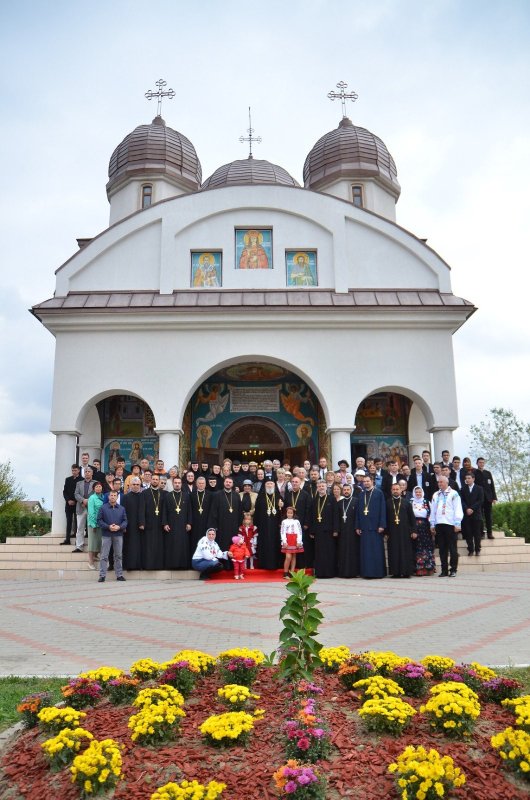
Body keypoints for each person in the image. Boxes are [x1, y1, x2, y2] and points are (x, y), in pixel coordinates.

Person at [430, 475, 463, 578]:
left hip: (450, 524)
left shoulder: (454, 494)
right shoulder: (436, 494)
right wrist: (432, 523)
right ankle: (444, 570)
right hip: (439, 524)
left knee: (453, 548)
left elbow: (458, 508)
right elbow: (433, 510)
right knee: (442, 549)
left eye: (441, 482)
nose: (439, 484)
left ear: (446, 482)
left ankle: (453, 569)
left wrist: (457, 523)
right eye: (438, 482)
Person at [355, 475, 387, 579]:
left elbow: (383, 509)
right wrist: (357, 526)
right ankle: (366, 573)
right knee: (366, 552)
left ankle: (377, 573)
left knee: (376, 551)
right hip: (364, 527)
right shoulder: (361, 494)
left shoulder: (379, 493)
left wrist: (382, 524)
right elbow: (358, 512)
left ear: (372, 482)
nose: (366, 483)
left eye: (368, 481)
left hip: (376, 527)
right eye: (364, 481)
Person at [309, 479, 339, 578]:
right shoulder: (314, 500)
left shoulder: (331, 499)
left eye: (323, 486)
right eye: (319, 486)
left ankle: (330, 573)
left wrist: (335, 529)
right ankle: (320, 573)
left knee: (329, 552)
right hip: (318, 531)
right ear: (317, 488)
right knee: (319, 552)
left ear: (326, 487)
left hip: (329, 531)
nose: (321, 488)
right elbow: (312, 516)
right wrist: (312, 530)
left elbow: (335, 515)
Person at [386, 483, 416, 578]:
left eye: (397, 489)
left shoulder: (406, 502)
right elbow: (385, 518)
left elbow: (412, 518)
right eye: (393, 489)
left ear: (401, 490)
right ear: (391, 491)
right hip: (392, 532)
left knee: (405, 551)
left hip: (405, 531)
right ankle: (396, 572)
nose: (395, 491)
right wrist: (386, 532)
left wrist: (413, 531)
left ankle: (406, 572)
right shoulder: (387, 503)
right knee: (394, 551)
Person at [162, 476, 192, 570]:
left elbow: (189, 510)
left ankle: (182, 565)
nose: (177, 484)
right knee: (172, 545)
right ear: (173, 484)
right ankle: (172, 565)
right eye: (176, 483)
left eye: (179, 483)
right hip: (171, 525)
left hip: (183, 524)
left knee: (182, 545)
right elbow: (164, 511)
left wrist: (189, 523)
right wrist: (165, 523)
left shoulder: (186, 495)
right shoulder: (168, 496)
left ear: (181, 484)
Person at [97, 490, 127, 583]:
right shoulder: (103, 508)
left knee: (118, 555)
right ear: (108, 497)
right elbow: (99, 520)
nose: (113, 497)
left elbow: (125, 521)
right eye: (111, 495)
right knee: (104, 556)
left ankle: (119, 575)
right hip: (106, 535)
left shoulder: (122, 508)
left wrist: (119, 527)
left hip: (118, 535)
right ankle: (102, 575)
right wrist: (108, 527)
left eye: (115, 495)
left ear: (117, 497)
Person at [209, 477, 243, 554]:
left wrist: (239, 524)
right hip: (221, 526)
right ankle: (222, 563)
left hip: (233, 526)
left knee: (233, 544)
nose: (228, 484)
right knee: (222, 545)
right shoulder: (217, 495)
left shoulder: (236, 495)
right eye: (227, 482)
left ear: (232, 484)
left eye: (230, 482)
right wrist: (214, 526)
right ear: (224, 483)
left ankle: (232, 563)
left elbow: (240, 511)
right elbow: (213, 511)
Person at [254, 480, 283, 569]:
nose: (270, 485)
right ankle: (264, 564)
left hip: (275, 526)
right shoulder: (260, 497)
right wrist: (256, 525)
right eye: (268, 484)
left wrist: (281, 507)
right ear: (265, 485)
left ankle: (276, 564)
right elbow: (257, 513)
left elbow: (283, 513)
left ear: (274, 485)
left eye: (271, 484)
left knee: (275, 543)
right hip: (263, 526)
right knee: (264, 544)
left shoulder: (278, 497)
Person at [138, 473, 165, 570]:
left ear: (159, 481)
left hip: (159, 523)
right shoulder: (144, 493)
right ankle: (148, 565)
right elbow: (141, 509)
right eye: (153, 479)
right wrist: (141, 522)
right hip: (148, 523)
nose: (155, 481)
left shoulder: (163, 493)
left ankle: (158, 565)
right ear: (150, 480)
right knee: (148, 545)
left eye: (156, 479)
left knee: (159, 545)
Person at [410, 487, 435, 576]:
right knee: (416, 547)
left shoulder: (426, 502)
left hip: (425, 528)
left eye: (419, 492)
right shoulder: (411, 502)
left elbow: (432, 514)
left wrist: (432, 526)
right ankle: (417, 569)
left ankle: (428, 568)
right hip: (414, 528)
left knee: (426, 547)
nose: (418, 494)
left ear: (422, 492)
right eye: (416, 492)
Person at [337, 483, 360, 578]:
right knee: (342, 551)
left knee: (352, 551)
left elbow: (358, 516)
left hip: (352, 531)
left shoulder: (356, 501)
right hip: (342, 531)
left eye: (348, 490)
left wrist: (357, 527)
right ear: (342, 491)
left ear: (351, 491)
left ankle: (353, 572)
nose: (346, 491)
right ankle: (343, 572)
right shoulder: (339, 503)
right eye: (345, 490)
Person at [461, 471, 484, 556]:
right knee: (468, 533)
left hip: (476, 514)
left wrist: (472, 509)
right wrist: (466, 508)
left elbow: (480, 500)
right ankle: (470, 549)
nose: (467, 480)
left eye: (469, 478)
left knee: (477, 533)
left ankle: (477, 549)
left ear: (473, 479)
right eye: (466, 478)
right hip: (466, 514)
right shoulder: (463, 489)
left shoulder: (479, 488)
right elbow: (461, 500)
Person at [123, 476, 143, 570]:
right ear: (130, 485)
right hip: (129, 526)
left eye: (137, 484)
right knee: (129, 546)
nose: (135, 486)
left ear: (140, 485)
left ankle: (139, 565)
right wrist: (124, 525)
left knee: (140, 546)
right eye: (134, 484)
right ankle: (129, 565)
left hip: (141, 526)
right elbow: (123, 513)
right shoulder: (126, 497)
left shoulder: (143, 496)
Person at [474, 457, 497, 539]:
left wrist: (494, 497)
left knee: (488, 516)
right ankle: (481, 533)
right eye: (480, 462)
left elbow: (492, 485)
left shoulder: (488, 473)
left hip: (488, 498)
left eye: (483, 462)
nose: (481, 464)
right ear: (477, 463)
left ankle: (490, 533)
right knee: (480, 517)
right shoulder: (474, 473)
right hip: (479, 498)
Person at [73, 467, 95, 553]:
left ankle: (92, 547)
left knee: (92, 528)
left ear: (92, 473)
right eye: (86, 471)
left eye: (89, 471)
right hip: (80, 507)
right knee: (80, 528)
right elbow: (76, 494)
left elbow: (96, 493)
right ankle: (79, 546)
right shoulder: (79, 483)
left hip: (91, 508)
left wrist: (88, 501)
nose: (87, 473)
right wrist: (83, 500)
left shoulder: (95, 483)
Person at [280, 506, 304, 578]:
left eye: (291, 513)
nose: (289, 514)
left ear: (293, 514)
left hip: (295, 539)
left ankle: (292, 572)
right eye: (288, 513)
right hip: (288, 539)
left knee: (293, 556)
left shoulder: (296, 521)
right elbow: (282, 532)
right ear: (286, 513)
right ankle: (285, 572)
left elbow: (300, 531)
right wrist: (284, 541)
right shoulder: (284, 521)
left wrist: (299, 541)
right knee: (288, 556)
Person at [61, 464, 81, 545]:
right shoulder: (68, 479)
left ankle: (78, 540)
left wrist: (76, 501)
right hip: (68, 504)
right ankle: (67, 539)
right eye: (72, 470)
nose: (74, 472)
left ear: (78, 471)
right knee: (69, 521)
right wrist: (68, 500)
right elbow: (64, 492)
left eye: (75, 470)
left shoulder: (81, 480)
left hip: (78, 504)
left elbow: (81, 493)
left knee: (78, 522)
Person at [86, 481, 104, 569]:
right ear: (93, 488)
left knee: (99, 542)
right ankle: (90, 562)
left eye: (100, 486)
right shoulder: (92, 498)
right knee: (92, 543)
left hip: (101, 523)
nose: (98, 488)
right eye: (96, 487)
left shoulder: (103, 497)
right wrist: (93, 524)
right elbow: (91, 512)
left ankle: (96, 555)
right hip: (93, 524)